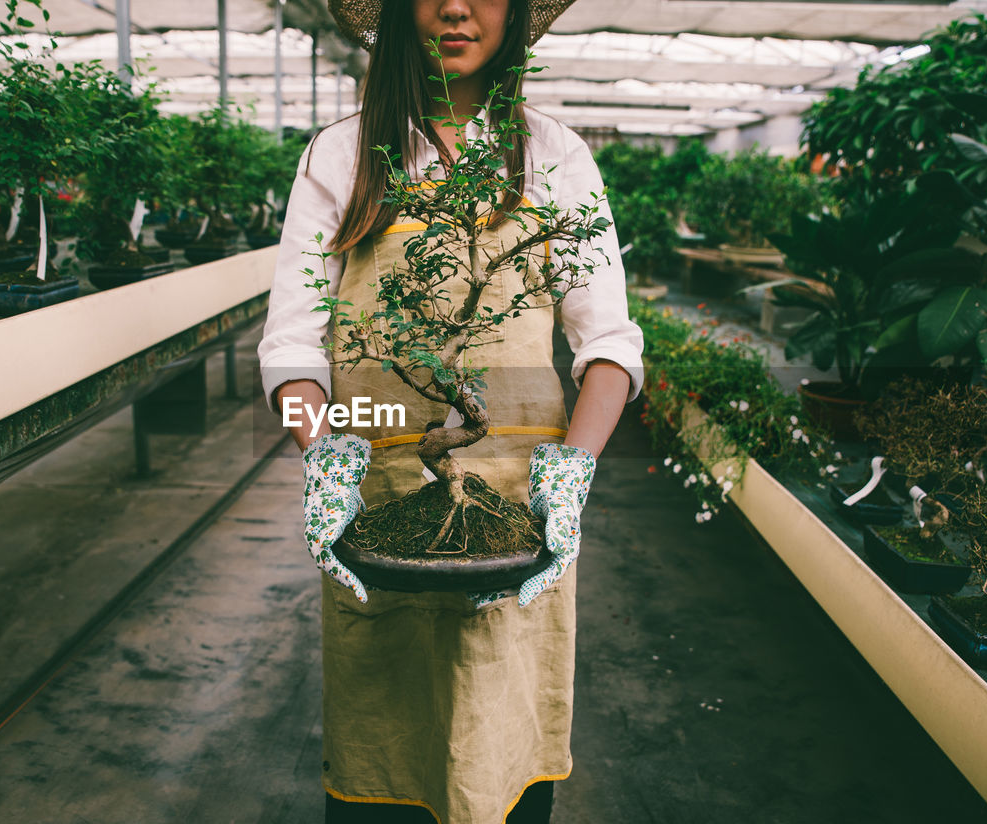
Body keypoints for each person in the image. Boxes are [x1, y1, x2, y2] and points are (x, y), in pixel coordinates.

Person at [257, 0, 643, 820]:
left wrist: (569, 474)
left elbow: (608, 342)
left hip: (516, 518)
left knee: (501, 750)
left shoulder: (553, 156)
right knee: (382, 759)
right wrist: (324, 456)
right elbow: (294, 343)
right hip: (380, 507)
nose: (458, 6)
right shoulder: (342, 154)